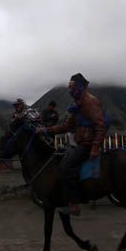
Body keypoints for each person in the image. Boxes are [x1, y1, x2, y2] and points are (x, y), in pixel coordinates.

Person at [38, 73, 107, 216]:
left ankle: (74, 204)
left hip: (87, 144)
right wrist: (46, 130)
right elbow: (65, 126)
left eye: (72, 87)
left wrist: (94, 147)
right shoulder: (77, 105)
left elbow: (100, 126)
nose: (70, 90)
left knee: (66, 166)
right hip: (80, 142)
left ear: (80, 87)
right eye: (69, 87)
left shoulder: (90, 102)